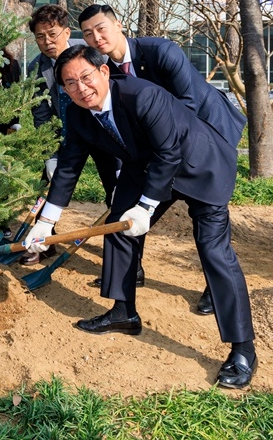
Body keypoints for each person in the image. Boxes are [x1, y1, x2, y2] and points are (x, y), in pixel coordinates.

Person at [24, 45, 257, 389]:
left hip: (199, 165)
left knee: (213, 250)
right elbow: (70, 166)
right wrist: (45, 222)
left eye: (85, 77)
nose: (80, 88)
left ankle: (243, 349)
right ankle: (124, 311)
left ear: (104, 72)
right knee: (118, 228)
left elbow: (169, 153)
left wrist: (146, 207)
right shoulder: (77, 114)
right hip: (144, 168)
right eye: (70, 84)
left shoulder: (144, 96)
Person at [78, 3, 247, 313]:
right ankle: (131, 278)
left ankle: (215, 285)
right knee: (130, 210)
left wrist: (161, 159)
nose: (96, 37)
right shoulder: (104, 73)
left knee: (205, 214)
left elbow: (188, 105)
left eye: (101, 28)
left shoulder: (160, 51)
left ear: (118, 26)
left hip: (208, 133)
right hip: (162, 146)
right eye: (88, 34)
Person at [24, 4, 86, 264]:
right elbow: (41, 115)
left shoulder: (89, 53)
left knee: (116, 190)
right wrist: (51, 155)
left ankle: (125, 259)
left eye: (52, 33)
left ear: (66, 31)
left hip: (102, 130)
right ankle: (43, 242)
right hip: (66, 133)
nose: (47, 41)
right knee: (45, 184)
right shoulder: (37, 67)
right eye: (40, 36)